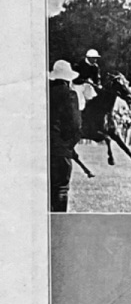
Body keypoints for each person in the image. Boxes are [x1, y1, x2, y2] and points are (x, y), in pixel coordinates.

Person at [48, 59, 82, 213]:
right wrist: (70, 146)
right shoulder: (70, 95)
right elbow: (75, 125)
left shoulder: (46, 93)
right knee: (61, 189)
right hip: (60, 150)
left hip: (42, 149)